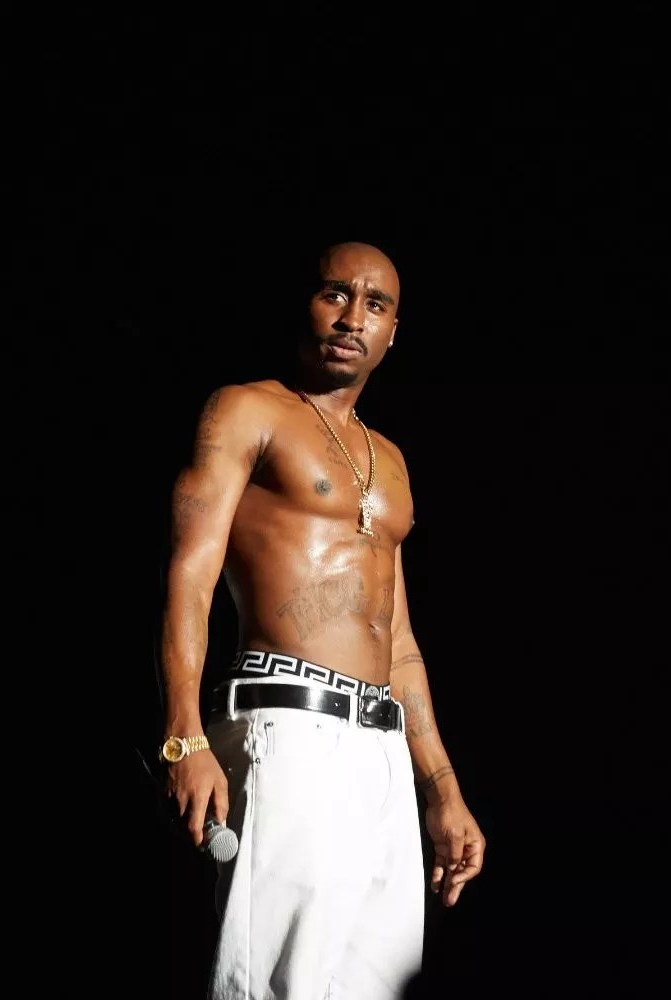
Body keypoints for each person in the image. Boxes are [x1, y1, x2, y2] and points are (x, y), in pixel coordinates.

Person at [154, 240, 486, 999]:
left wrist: (441, 787)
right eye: (335, 294)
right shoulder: (247, 408)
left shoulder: (389, 459)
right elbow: (189, 574)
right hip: (289, 726)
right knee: (281, 985)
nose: (351, 317)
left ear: (392, 331)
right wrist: (183, 735)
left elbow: (397, 639)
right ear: (303, 305)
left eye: (375, 304)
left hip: (382, 751)